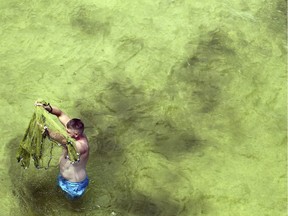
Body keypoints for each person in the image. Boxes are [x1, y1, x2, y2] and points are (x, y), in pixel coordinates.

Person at [35, 101, 89, 199]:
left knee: (72, 208)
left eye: (67, 132)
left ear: (76, 134)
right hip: (62, 177)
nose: (65, 132)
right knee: (58, 198)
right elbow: (60, 114)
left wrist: (46, 130)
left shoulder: (81, 145)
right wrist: (48, 108)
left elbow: (63, 140)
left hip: (74, 185)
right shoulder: (72, 128)